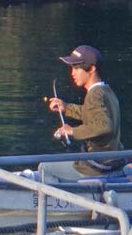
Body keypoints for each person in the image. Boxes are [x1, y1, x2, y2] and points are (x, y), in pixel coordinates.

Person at [40, 45, 125, 182]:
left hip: (96, 169)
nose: (72, 73)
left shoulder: (94, 95)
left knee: (44, 168)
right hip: (113, 164)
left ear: (91, 69)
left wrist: (72, 131)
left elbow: (104, 125)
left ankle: (63, 202)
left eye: (76, 67)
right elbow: (91, 113)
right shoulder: (106, 90)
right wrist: (66, 107)